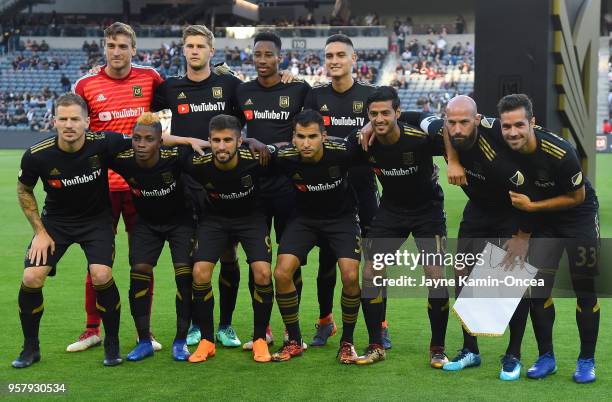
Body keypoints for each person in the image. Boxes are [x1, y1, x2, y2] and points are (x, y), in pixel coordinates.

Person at [12, 93, 131, 368]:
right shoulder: (37, 155)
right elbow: (23, 189)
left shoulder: (103, 143)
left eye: (75, 119)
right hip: (55, 223)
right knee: (31, 277)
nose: (69, 125)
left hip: (97, 221)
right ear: (54, 121)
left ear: (87, 122)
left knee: (101, 274)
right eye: (63, 119)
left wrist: (188, 141)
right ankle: (31, 347)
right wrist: (40, 232)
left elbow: (144, 140)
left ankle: (111, 342)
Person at [72, 21, 164, 353]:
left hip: (142, 186)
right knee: (98, 261)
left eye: (123, 46)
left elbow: (181, 99)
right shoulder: (86, 84)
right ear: (104, 47)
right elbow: (76, 129)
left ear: (133, 49)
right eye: (111, 45)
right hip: (101, 188)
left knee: (143, 261)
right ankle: (91, 328)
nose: (116, 51)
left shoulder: (150, 78)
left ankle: (146, 331)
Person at [496, 94, 600, 384]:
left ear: (532, 122)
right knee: (538, 288)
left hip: (578, 214)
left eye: (519, 125)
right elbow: (467, 124)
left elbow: (576, 197)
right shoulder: (501, 136)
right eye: (506, 126)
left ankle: (586, 361)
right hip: (543, 221)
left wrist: (532, 209)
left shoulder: (561, 152)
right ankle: (546, 357)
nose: (512, 132)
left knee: (585, 287)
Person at [152, 25, 245, 348]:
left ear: (211, 51)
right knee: (193, 259)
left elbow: (254, 113)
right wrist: (186, 140)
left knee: (229, 255)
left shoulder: (230, 85)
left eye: (200, 46)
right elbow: (148, 129)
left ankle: (226, 325)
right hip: (186, 184)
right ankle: (194, 324)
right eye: (189, 45)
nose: (194, 50)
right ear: (183, 50)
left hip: (225, 184)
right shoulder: (169, 88)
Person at [428, 95, 532, 380]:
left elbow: (531, 189)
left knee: (512, 279)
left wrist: (523, 236)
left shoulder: (500, 138)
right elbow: (416, 120)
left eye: (464, 122)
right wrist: (454, 160)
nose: (457, 128)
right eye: (452, 122)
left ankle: (513, 354)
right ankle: (470, 349)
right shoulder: (448, 129)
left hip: (512, 209)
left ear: (477, 119)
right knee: (461, 276)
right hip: (477, 212)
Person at [270, 110, 381, 364]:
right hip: (304, 220)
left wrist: (367, 126)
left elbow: (375, 129)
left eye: (312, 136)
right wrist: (257, 144)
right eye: (300, 137)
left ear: (324, 136)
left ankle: (347, 342)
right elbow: (262, 151)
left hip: (341, 219)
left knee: (351, 275)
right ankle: (294, 341)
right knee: (281, 272)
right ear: (293, 138)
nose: (306, 143)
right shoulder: (286, 157)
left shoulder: (342, 150)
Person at [351, 86, 449, 366]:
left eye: (385, 113)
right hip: (391, 212)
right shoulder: (364, 141)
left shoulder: (419, 139)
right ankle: (375, 345)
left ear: (398, 112)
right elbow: (337, 151)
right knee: (371, 271)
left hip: (428, 212)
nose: (379, 119)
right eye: (373, 114)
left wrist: (452, 164)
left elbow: (449, 135)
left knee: (434, 275)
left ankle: (438, 348)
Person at [303, 33, 383, 347]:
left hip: (363, 188)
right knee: (327, 262)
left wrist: (370, 125)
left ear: (353, 60)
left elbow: (386, 124)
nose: (334, 61)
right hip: (327, 192)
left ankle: (382, 323)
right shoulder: (315, 96)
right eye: (329, 56)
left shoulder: (370, 95)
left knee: (375, 261)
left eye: (340, 55)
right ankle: (325, 321)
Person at [235, 31, 310, 350]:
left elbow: (307, 133)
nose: (262, 60)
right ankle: (262, 327)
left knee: (290, 261)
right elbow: (234, 132)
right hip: (255, 187)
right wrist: (248, 142)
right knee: (259, 261)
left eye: (269, 54)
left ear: (280, 58)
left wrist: (268, 145)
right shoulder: (242, 91)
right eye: (257, 54)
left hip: (290, 185)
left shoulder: (299, 89)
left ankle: (292, 330)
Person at [181, 115, 274, 363]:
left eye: (228, 140)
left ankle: (259, 340)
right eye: (217, 140)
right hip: (215, 220)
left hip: (251, 219)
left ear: (239, 141)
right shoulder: (198, 163)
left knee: (263, 273)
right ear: (209, 140)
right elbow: (159, 141)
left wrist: (264, 145)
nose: (222, 147)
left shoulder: (255, 159)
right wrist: (188, 139)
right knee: (200, 272)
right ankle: (207, 340)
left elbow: (291, 150)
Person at [108, 112, 195, 362]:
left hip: (181, 223)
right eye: (136, 139)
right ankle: (144, 340)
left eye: (148, 139)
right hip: (146, 224)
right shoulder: (124, 160)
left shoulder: (175, 158)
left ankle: (181, 341)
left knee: (184, 276)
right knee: (139, 273)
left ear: (160, 141)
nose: (141, 144)